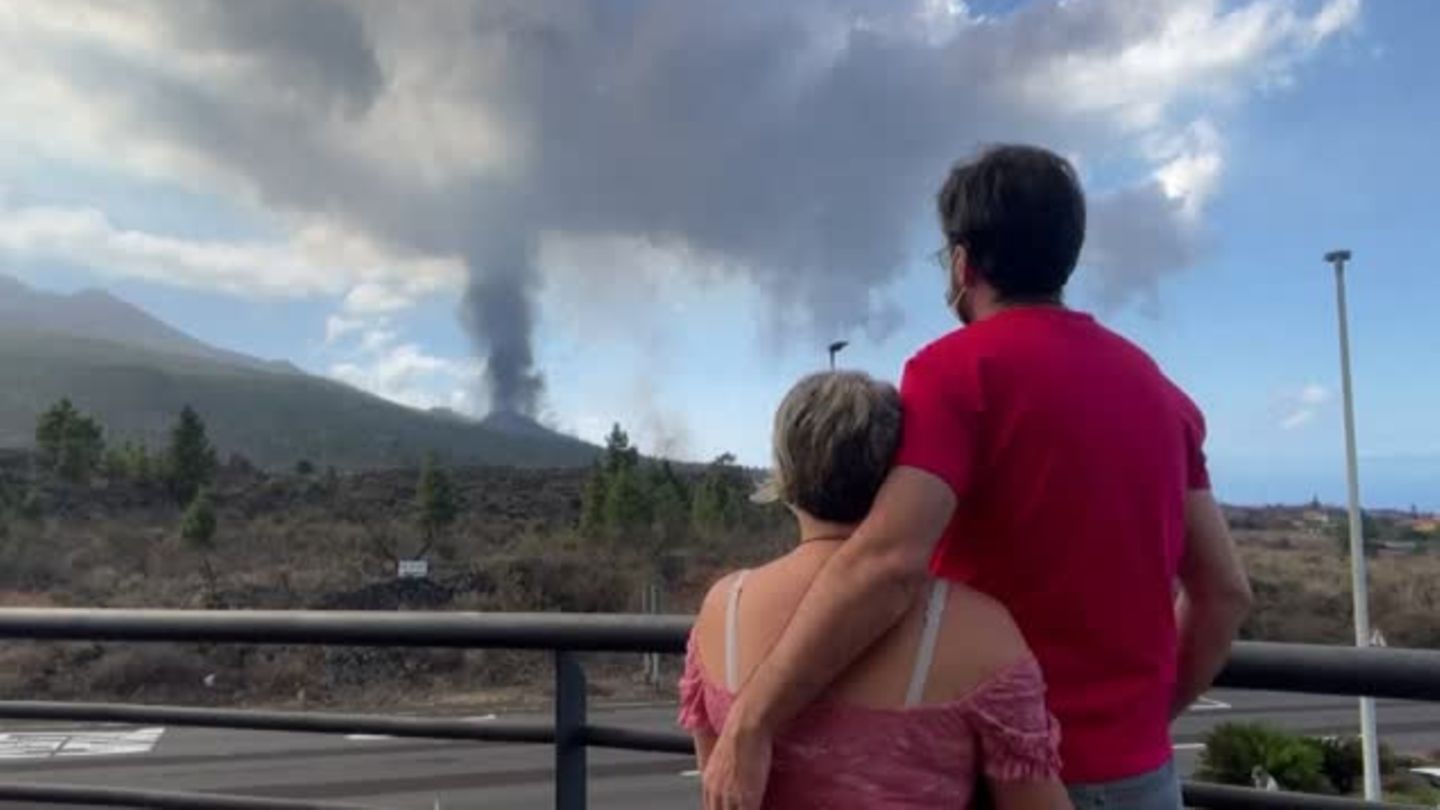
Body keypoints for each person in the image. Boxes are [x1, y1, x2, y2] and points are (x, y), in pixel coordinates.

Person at [703, 145, 1253, 810]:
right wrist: (1143, 720)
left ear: (964, 263)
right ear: (1065, 256)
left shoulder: (957, 374)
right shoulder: (1163, 396)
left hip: (1004, 776)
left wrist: (753, 721)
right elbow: (1224, 593)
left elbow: (886, 565)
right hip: (1144, 777)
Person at [680, 371, 1070, 809]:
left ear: (785, 473)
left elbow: (719, 790)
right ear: (899, 474)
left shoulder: (722, 608)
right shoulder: (981, 631)